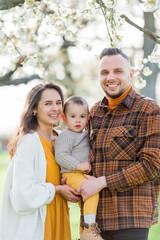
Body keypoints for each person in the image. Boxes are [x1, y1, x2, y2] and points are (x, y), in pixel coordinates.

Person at [77, 47, 160, 240]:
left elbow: (151, 166)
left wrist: (101, 183)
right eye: (104, 72)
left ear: (130, 74)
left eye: (117, 71)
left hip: (130, 219)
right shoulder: (95, 112)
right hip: (93, 221)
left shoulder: (149, 110)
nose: (110, 77)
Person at [0, 82, 80, 240]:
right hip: (39, 226)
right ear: (34, 109)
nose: (55, 108)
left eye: (58, 103)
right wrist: (56, 190)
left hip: (61, 219)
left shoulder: (62, 140)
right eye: (48, 103)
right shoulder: (29, 143)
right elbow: (22, 194)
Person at [54, 96, 103, 240]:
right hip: (71, 174)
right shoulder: (65, 136)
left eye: (82, 116)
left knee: (85, 204)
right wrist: (78, 165)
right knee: (92, 192)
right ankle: (89, 228)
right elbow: (61, 156)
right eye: (73, 116)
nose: (77, 120)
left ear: (88, 118)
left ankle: (82, 234)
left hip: (80, 175)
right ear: (64, 118)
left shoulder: (85, 135)